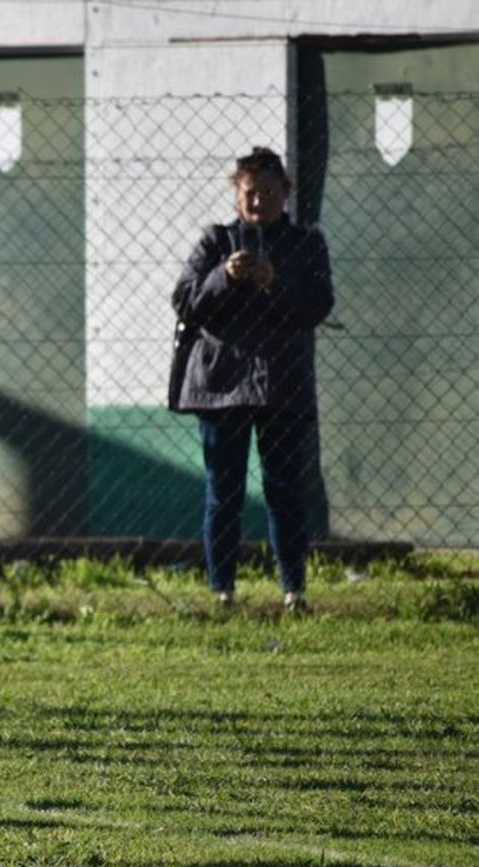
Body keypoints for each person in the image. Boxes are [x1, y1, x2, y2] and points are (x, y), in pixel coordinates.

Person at [171, 146, 334, 612]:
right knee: (224, 494)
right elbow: (184, 301)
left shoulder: (307, 244)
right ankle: (223, 591)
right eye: (250, 192)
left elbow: (318, 304)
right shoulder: (215, 242)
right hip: (221, 386)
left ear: (286, 192)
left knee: (285, 490)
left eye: (268, 191)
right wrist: (223, 276)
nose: (259, 201)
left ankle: (293, 591)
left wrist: (273, 282)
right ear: (236, 193)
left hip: (283, 386)